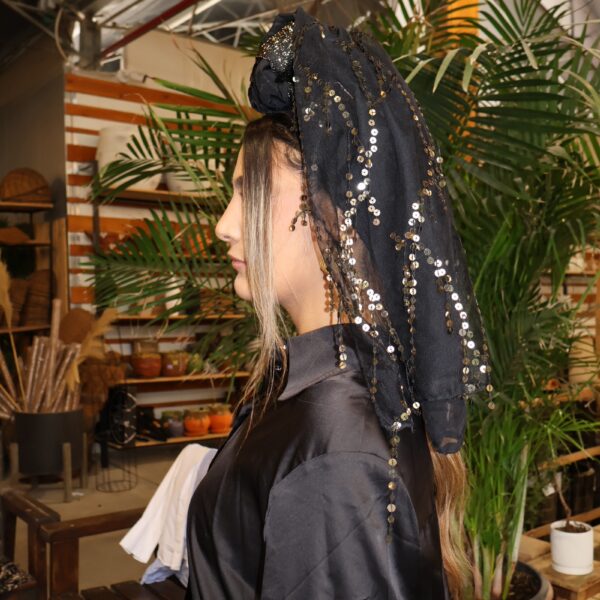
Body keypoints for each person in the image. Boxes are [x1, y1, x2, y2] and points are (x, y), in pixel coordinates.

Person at [185, 7, 493, 600]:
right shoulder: (323, 390)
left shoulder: (336, 447)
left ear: (332, 212)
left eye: (248, 192)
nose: (223, 225)